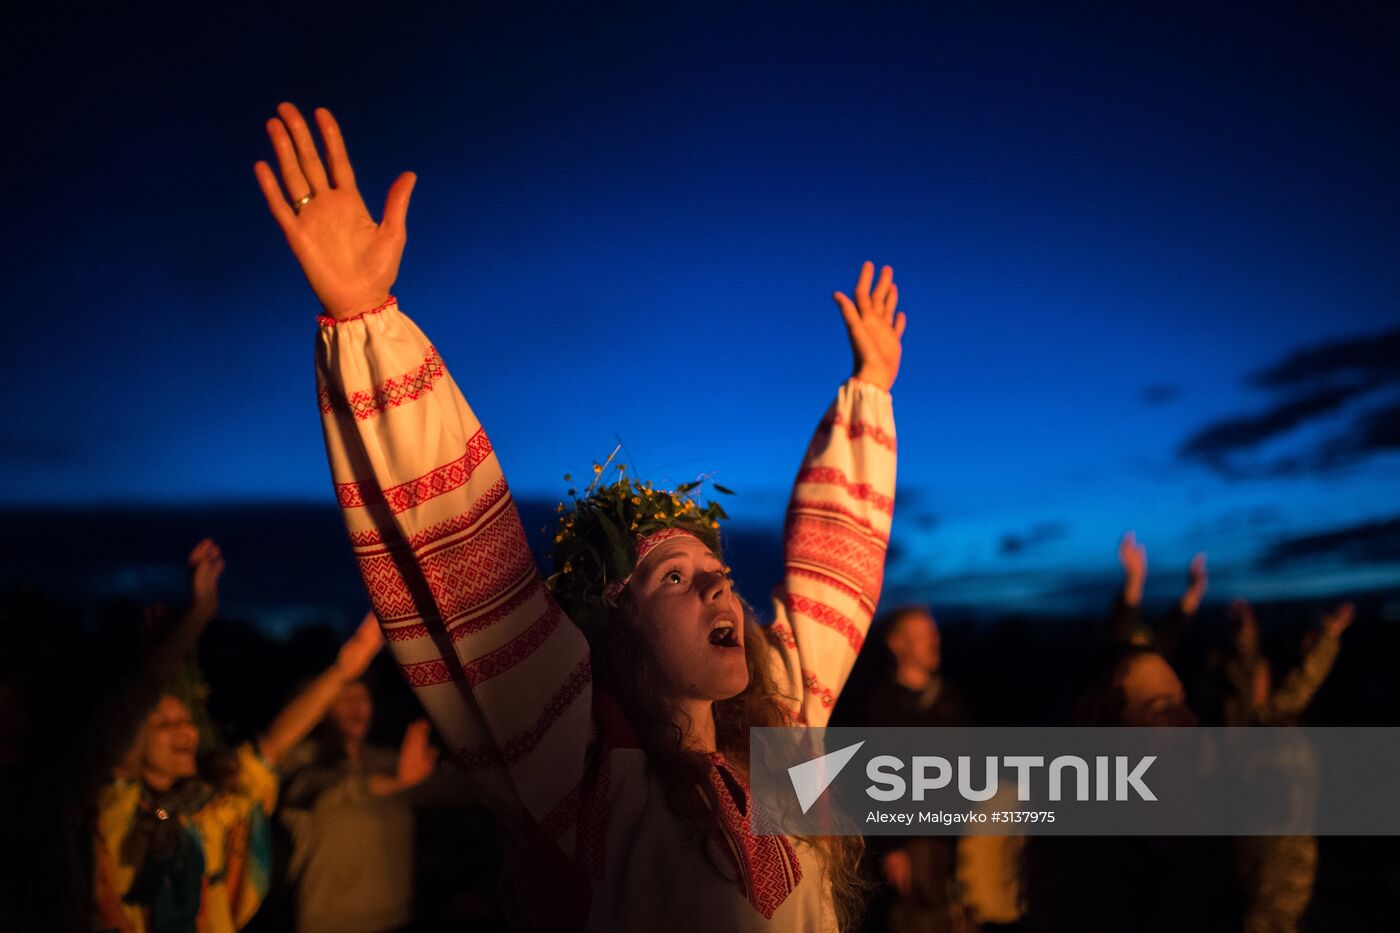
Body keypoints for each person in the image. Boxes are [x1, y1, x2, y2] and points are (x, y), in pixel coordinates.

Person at [254, 102, 903, 931]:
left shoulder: (777, 758)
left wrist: (869, 396)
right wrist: (366, 325)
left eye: (719, 576)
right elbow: (471, 561)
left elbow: (833, 589)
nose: (717, 591)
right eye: (675, 575)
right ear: (611, 622)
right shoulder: (587, 770)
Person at [93, 607, 386, 933]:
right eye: (165, 723)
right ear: (134, 737)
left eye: (187, 721)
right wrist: (191, 620)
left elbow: (271, 749)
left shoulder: (213, 810)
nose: (186, 731)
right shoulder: (114, 813)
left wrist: (341, 672)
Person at [1, 540, 223, 933]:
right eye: (164, 724)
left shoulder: (53, 783)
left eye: (16, 700)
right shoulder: (63, 795)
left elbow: (129, 702)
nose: (184, 733)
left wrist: (193, 619)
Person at [278, 656, 441, 933]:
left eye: (363, 696)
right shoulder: (297, 761)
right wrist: (395, 782)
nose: (357, 706)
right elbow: (327, 792)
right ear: (320, 708)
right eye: (345, 698)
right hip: (327, 925)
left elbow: (453, 788)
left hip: (397, 920)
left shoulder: (387, 761)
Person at [1224, 600, 1353, 933]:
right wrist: (1246, 640)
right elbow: (1248, 677)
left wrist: (1329, 638)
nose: (1267, 680)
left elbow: (1302, 682)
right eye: (1260, 676)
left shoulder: (1276, 718)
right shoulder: (1246, 730)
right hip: (1265, 873)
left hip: (1295, 869)